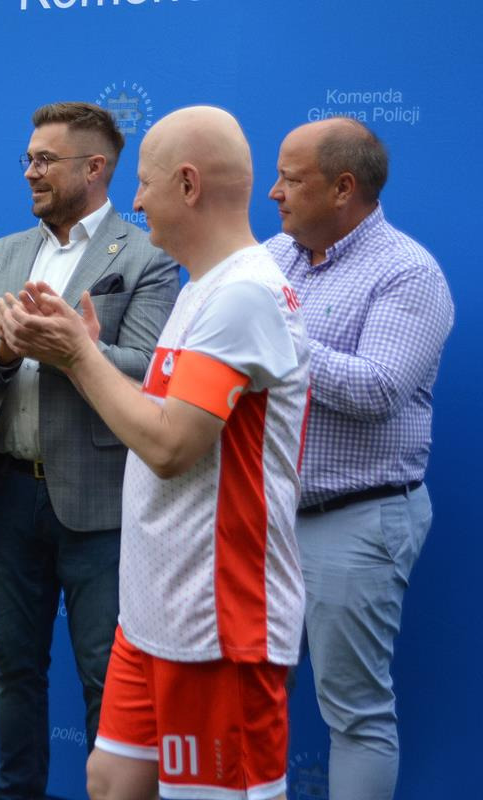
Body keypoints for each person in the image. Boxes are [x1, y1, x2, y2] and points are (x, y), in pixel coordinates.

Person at [0, 107, 309, 800]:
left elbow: (169, 445)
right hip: (156, 609)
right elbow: (158, 415)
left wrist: (78, 356)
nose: (134, 201)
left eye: (144, 182)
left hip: (216, 619)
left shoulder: (243, 295)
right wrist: (85, 350)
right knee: (111, 782)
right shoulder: (205, 287)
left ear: (188, 185)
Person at [0, 101, 177, 798]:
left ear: (94, 168)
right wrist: (7, 350)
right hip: (8, 492)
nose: (30, 172)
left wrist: (77, 350)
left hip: (100, 502)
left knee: (108, 676)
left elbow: (153, 370)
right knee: (14, 668)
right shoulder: (3, 253)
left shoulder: (147, 257)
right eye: (29, 158)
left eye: (45, 160)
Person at [265, 119, 453, 800]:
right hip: (271, 515)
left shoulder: (408, 272)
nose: (274, 192)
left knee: (354, 712)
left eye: (291, 179)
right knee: (252, 691)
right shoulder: (274, 256)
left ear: (344, 188)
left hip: (356, 518)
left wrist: (275, 340)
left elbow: (377, 389)